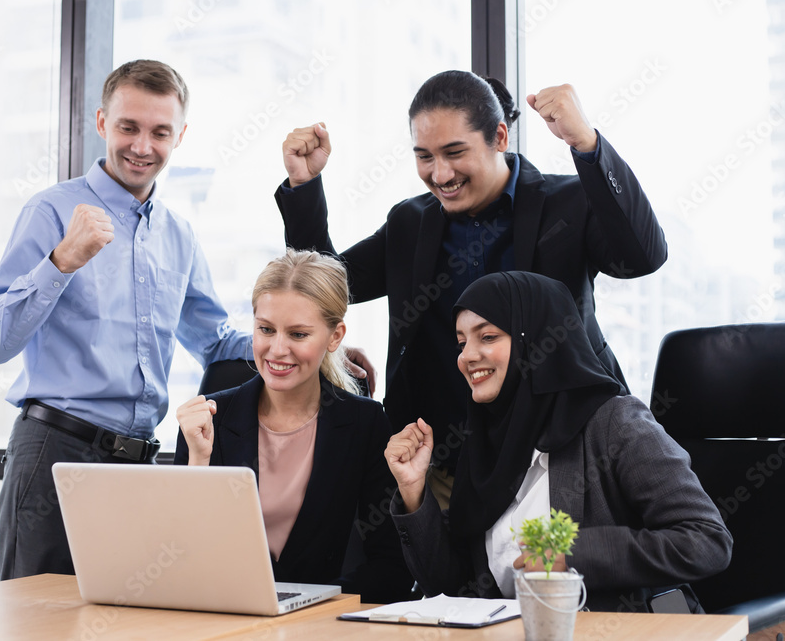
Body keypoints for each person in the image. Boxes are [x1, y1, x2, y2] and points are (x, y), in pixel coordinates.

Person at [274, 71, 668, 507]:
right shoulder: (409, 223)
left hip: (563, 456)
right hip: (448, 465)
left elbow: (643, 257)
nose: (440, 174)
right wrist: (303, 185)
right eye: (424, 157)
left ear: (499, 137)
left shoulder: (568, 202)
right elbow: (321, 287)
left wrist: (586, 144)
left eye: (454, 152)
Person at [0, 60, 252, 580]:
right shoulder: (52, 212)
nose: (142, 146)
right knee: (36, 618)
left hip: (140, 467)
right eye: (128, 127)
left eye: (160, 132)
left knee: (126, 616)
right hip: (55, 456)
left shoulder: (179, 234)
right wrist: (61, 262)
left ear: (179, 136)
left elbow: (215, 342)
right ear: (102, 122)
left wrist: (306, 348)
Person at [384, 271, 732, 612]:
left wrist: (572, 555)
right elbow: (448, 587)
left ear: (534, 340)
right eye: (461, 343)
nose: (466, 356)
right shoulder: (484, 446)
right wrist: (413, 490)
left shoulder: (614, 422)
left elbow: (707, 540)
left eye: (487, 337)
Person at [174, 249, 414, 604]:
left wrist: (307, 605)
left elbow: (392, 568)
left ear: (335, 337)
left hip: (322, 622)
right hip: (222, 613)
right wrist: (198, 461)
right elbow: (178, 560)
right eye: (266, 330)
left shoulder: (364, 424)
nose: (277, 349)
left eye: (298, 334)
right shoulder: (208, 419)